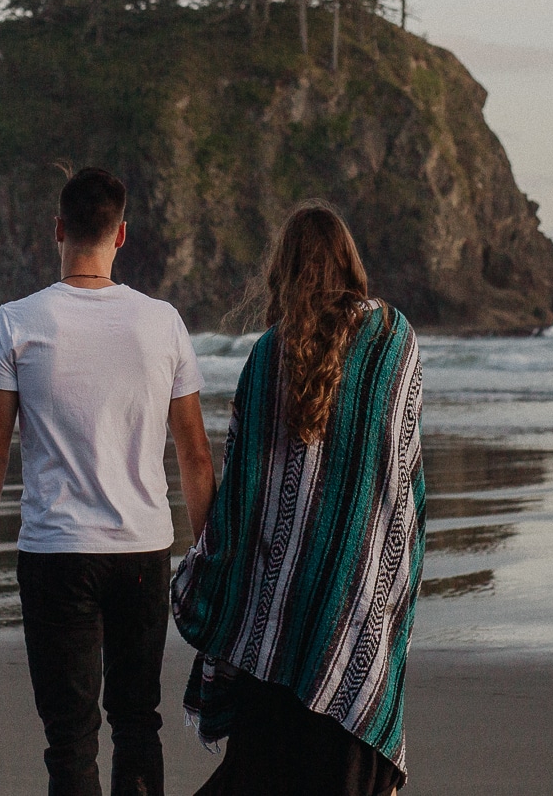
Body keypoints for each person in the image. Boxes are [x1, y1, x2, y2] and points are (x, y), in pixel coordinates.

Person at [0, 166, 217, 796]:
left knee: (70, 737)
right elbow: (196, 456)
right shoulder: (163, 323)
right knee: (137, 723)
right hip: (141, 549)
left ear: (58, 229)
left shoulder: (17, 323)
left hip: (55, 553)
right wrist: (209, 552)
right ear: (121, 234)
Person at [171, 202, 425, 795]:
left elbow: (241, 493)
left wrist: (214, 574)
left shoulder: (267, 354)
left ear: (283, 271)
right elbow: (401, 484)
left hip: (274, 622)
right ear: (350, 263)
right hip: (354, 610)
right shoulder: (396, 340)